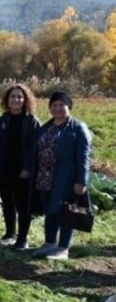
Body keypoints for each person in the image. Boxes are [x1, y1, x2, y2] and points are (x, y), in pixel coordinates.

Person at [30, 92, 92, 260]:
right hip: (45, 177)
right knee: (51, 210)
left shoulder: (77, 128)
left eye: (61, 105)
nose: (57, 108)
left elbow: (84, 156)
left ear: (69, 106)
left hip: (66, 177)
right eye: (54, 105)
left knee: (66, 212)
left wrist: (81, 180)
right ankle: (49, 243)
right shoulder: (46, 127)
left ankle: (63, 248)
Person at [0, 84, 41, 250]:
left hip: (23, 171)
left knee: (23, 205)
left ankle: (23, 238)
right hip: (5, 168)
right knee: (7, 202)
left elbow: (35, 148)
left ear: (25, 100)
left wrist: (28, 168)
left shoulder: (31, 121)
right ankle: (10, 233)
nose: (16, 100)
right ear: (7, 100)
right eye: (13, 97)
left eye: (19, 97)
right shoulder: (3, 120)